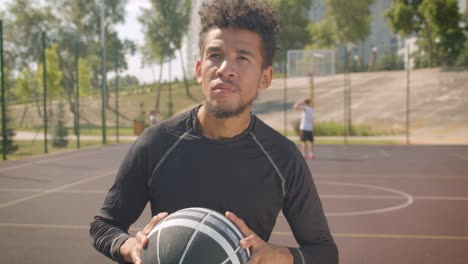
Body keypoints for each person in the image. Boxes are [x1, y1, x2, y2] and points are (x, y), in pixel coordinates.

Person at [89, 1, 338, 263]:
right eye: (215, 55)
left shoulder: (283, 158)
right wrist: (131, 246)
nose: (224, 68)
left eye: (242, 57)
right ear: (199, 70)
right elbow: (103, 226)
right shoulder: (156, 144)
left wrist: (277, 255)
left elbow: (324, 252)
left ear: (265, 78)